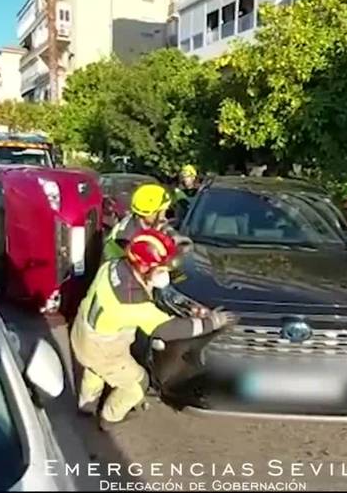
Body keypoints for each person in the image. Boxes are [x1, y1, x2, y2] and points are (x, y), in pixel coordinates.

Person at [71, 228, 231, 430]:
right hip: (104, 349)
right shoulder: (132, 302)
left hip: (82, 331)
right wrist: (212, 322)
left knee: (94, 371)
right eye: (161, 268)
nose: (165, 271)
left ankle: (86, 406)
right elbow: (168, 329)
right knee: (137, 384)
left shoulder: (113, 266)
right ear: (145, 267)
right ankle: (109, 418)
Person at [103, 183, 174, 262]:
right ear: (153, 212)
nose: (164, 216)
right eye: (164, 210)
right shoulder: (127, 238)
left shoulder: (133, 224)